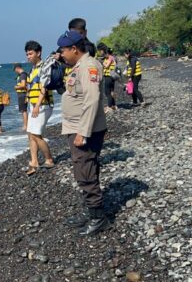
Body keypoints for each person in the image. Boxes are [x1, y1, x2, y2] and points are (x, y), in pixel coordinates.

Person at [58, 30, 109, 236]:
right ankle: (90, 212)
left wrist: (83, 132)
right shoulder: (78, 66)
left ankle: (98, 218)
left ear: (74, 49)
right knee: (86, 169)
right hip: (77, 126)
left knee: (85, 171)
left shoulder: (88, 67)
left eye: (63, 50)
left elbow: (91, 99)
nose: (61, 53)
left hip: (84, 129)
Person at [24, 40, 55, 176]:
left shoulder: (44, 67)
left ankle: (49, 159)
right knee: (31, 134)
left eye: (30, 53)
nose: (28, 56)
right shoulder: (33, 69)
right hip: (33, 105)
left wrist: (36, 105)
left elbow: (44, 87)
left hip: (42, 105)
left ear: (38, 53)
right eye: (27, 54)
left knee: (36, 134)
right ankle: (34, 161)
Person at [98, 45, 117, 112]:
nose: (104, 55)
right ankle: (114, 105)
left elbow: (106, 66)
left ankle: (109, 107)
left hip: (109, 77)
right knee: (111, 91)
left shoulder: (110, 58)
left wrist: (102, 62)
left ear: (108, 53)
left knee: (107, 92)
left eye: (105, 53)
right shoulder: (112, 57)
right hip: (111, 77)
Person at [13, 63, 29, 131]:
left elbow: (23, 85)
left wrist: (16, 87)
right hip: (21, 94)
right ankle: (25, 125)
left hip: (23, 94)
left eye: (15, 70)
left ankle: (26, 126)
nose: (15, 72)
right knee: (23, 110)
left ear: (17, 68)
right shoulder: (21, 75)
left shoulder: (23, 75)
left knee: (23, 110)